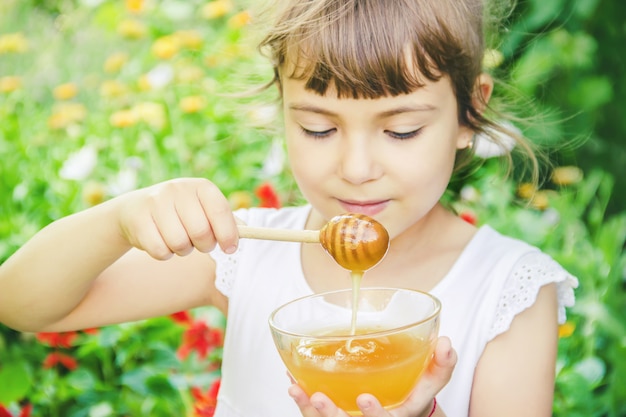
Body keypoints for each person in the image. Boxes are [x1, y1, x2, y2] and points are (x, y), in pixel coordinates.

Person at [0, 0, 578, 416]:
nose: (355, 168)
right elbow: (22, 304)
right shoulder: (243, 253)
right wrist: (118, 220)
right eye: (318, 127)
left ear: (468, 114)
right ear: (282, 106)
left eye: (401, 131)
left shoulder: (509, 291)